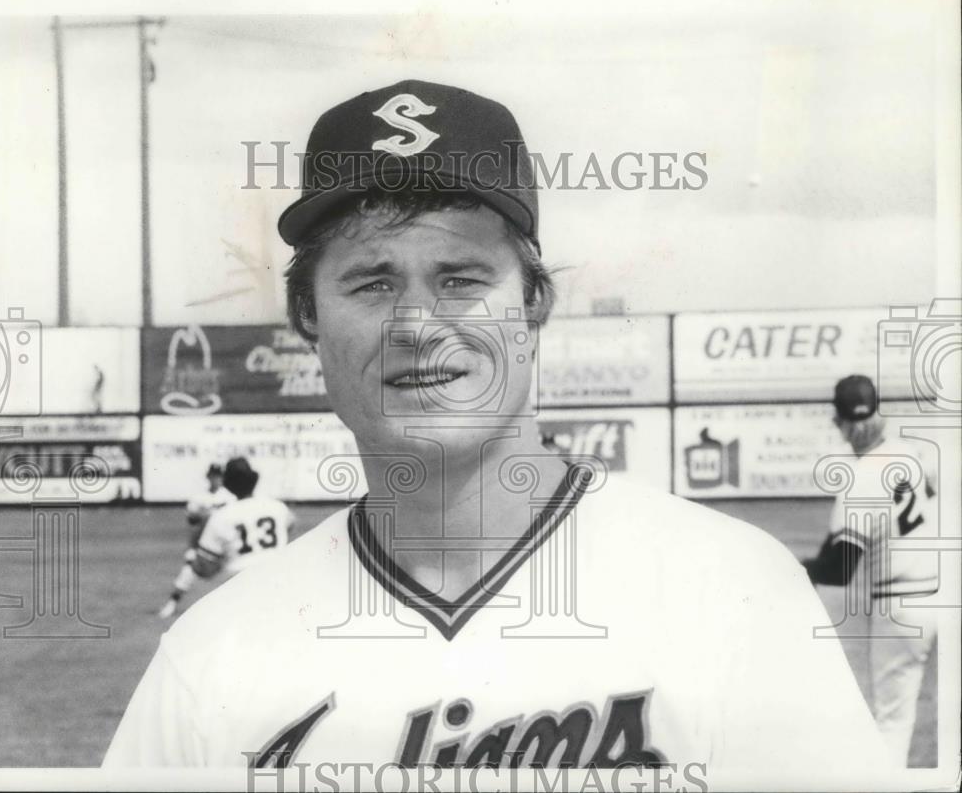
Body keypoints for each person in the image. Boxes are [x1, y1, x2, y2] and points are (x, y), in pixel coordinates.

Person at [105, 80, 887, 782]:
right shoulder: (211, 658)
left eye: (462, 279)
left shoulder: (735, 593)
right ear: (307, 316)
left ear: (535, 302)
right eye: (372, 282)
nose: (417, 323)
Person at [802, 374, 939, 766]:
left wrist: (798, 570)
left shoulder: (859, 478)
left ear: (839, 423)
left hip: (899, 606)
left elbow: (840, 568)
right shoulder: (906, 453)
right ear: (878, 411)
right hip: (936, 596)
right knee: (902, 715)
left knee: (889, 725)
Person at [191, 456, 298, 580]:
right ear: (253, 480)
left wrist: (199, 533)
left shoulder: (221, 516)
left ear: (228, 485)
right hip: (279, 579)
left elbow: (204, 569)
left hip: (241, 584)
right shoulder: (276, 507)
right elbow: (291, 522)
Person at [158, 463, 236, 619]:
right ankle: (171, 604)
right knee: (187, 573)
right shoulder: (199, 498)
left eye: (219, 475)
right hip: (204, 543)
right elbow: (192, 524)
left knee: (234, 576)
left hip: (225, 543)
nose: (216, 479)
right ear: (208, 477)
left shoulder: (230, 498)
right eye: (213, 475)